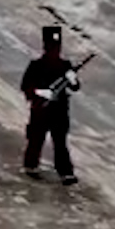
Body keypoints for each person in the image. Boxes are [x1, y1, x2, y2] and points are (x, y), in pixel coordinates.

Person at [20, 25, 81, 186]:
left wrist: (73, 79)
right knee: (36, 139)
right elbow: (25, 86)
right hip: (41, 110)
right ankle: (31, 165)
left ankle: (65, 171)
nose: (55, 51)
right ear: (45, 47)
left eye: (57, 47)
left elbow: (75, 87)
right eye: (52, 47)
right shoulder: (36, 65)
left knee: (60, 142)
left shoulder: (65, 66)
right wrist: (40, 93)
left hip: (60, 110)